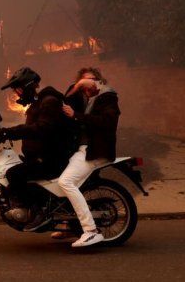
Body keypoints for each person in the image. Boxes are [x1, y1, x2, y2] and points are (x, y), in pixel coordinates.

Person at [0, 67, 73, 222]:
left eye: (18, 89)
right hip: (41, 156)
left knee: (14, 174)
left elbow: (41, 128)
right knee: (15, 168)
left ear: (28, 86)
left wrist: (11, 132)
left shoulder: (49, 102)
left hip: (52, 159)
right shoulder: (40, 103)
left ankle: (36, 211)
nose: (17, 94)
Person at [58, 72, 120, 248]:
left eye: (91, 80)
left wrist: (76, 115)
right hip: (81, 150)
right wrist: (76, 88)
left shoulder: (108, 97)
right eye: (84, 80)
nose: (87, 84)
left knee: (66, 182)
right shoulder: (86, 100)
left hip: (94, 151)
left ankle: (91, 231)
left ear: (99, 82)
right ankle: (70, 225)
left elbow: (107, 121)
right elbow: (65, 100)